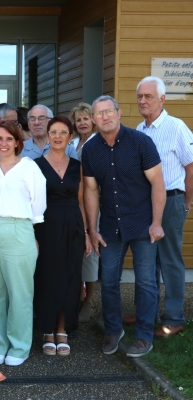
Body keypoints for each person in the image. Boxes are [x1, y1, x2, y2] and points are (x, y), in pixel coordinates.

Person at [82, 95, 165, 358]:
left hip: (142, 224)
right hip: (109, 227)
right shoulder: (91, 149)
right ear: (93, 119)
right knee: (108, 282)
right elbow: (91, 191)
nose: (105, 117)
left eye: (109, 112)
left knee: (146, 282)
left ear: (118, 113)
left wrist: (157, 222)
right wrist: (92, 229)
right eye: (99, 114)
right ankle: (113, 330)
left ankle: (143, 336)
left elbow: (158, 183)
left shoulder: (141, 142)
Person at [0, 120, 46, 366]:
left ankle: (19, 346)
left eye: (9, 139)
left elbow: (38, 204)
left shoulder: (29, 168)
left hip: (19, 228)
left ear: (18, 142)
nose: (3, 143)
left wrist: (30, 231)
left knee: (20, 292)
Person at [135, 76, 193, 337]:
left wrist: (187, 201)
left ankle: (173, 318)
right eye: (140, 96)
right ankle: (146, 313)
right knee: (148, 261)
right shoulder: (140, 129)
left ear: (162, 99)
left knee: (169, 259)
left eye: (148, 96)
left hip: (171, 200)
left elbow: (191, 167)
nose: (143, 100)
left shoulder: (176, 127)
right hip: (145, 202)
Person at [33, 116, 92, 356]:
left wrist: (87, 233)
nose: (57, 136)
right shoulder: (35, 165)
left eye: (63, 132)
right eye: (53, 132)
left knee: (70, 277)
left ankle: (62, 328)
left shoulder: (78, 166)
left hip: (73, 226)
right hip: (45, 226)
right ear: (47, 136)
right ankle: (47, 329)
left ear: (70, 137)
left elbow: (80, 201)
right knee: (47, 277)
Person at [69, 102, 99, 322]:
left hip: (92, 201)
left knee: (91, 250)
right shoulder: (74, 144)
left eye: (85, 118)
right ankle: (79, 295)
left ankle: (90, 301)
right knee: (78, 247)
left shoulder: (97, 142)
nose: (82, 123)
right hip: (75, 202)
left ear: (93, 120)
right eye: (78, 119)